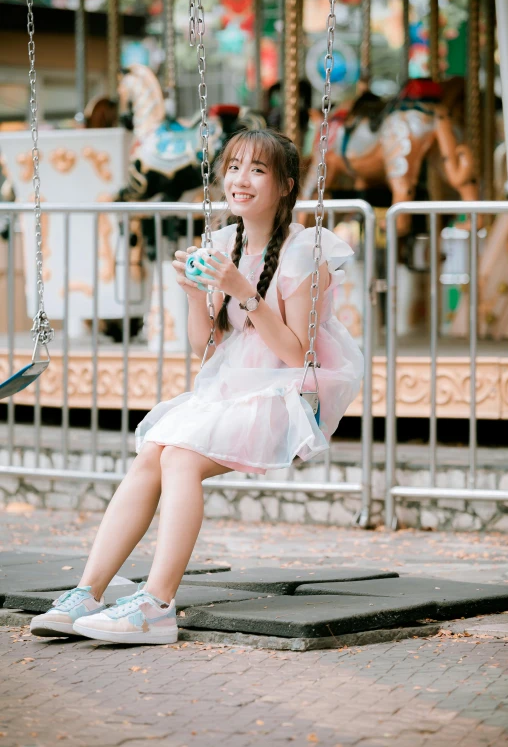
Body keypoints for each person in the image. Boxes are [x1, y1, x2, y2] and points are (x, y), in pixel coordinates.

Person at [29, 129, 364, 645]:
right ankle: (86, 592)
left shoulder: (305, 252)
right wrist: (192, 295)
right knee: (154, 452)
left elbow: (300, 354)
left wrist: (244, 292)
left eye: (256, 169)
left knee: (179, 456)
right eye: (233, 167)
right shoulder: (223, 242)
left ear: (284, 186)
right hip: (233, 384)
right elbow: (204, 347)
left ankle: (157, 604)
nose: (240, 179)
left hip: (289, 391)